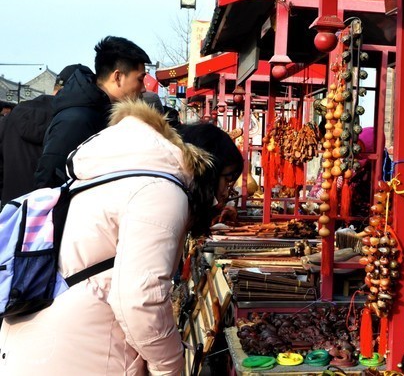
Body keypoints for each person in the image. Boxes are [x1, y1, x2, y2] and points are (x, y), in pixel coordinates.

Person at [0, 99, 244, 374]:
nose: (226, 193)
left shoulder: (118, 174)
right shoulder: (161, 191)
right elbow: (141, 299)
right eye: (228, 179)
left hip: (42, 340)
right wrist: (170, 368)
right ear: (209, 169)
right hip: (77, 352)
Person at [34, 36, 151, 188]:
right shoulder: (76, 120)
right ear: (118, 77)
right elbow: (48, 184)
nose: (143, 89)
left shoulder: (101, 113)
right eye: (140, 79)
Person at [0, 64, 83, 205]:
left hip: (12, 211)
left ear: (55, 87)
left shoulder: (9, 120)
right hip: (53, 211)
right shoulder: (75, 124)